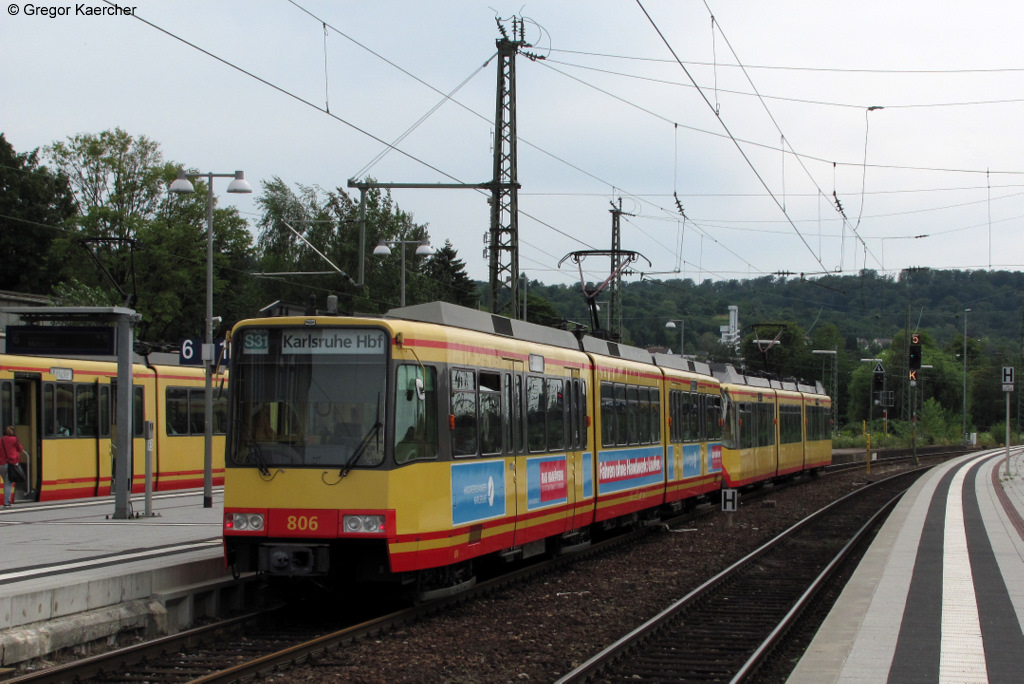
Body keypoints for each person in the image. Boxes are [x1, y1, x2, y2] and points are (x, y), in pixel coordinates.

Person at [1, 426, 25, 508]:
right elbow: (20, 449)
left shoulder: (1, 440)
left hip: (2, 464)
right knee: (8, 484)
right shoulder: (15, 439)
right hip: (11, 463)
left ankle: (6, 500)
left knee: (6, 483)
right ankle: (6, 502)